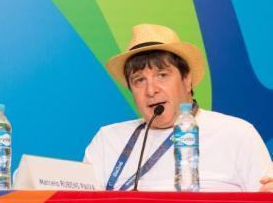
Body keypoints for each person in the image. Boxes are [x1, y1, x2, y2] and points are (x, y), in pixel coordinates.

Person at [84, 24, 272, 192]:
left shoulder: (237, 134)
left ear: (187, 80)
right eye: (139, 80)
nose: (151, 90)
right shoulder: (106, 140)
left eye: (162, 75)